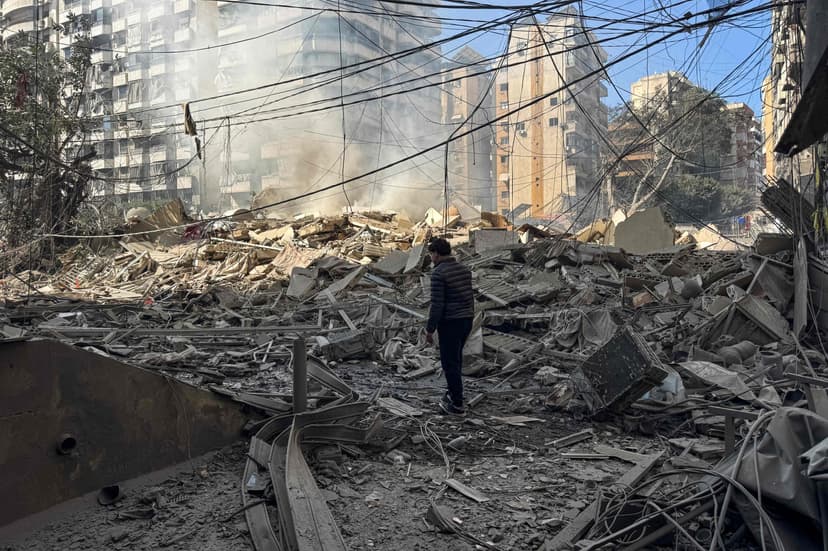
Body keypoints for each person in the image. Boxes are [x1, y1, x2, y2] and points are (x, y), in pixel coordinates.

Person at [425, 237, 474, 415]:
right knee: (456, 359)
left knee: (449, 363)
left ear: (436, 254)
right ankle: (454, 392)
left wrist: (430, 329)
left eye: (431, 254)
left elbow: (437, 305)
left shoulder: (438, 274)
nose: (431, 258)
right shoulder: (464, 269)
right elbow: (469, 297)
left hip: (450, 322)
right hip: (466, 320)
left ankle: (457, 405)